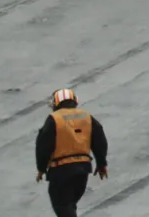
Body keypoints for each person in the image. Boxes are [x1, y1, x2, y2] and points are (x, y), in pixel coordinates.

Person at [35, 87, 107, 217]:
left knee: (62, 205)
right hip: (82, 171)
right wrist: (102, 164)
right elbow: (100, 140)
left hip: (60, 171)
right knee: (70, 203)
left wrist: (41, 168)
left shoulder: (54, 119)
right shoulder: (87, 117)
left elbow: (43, 145)